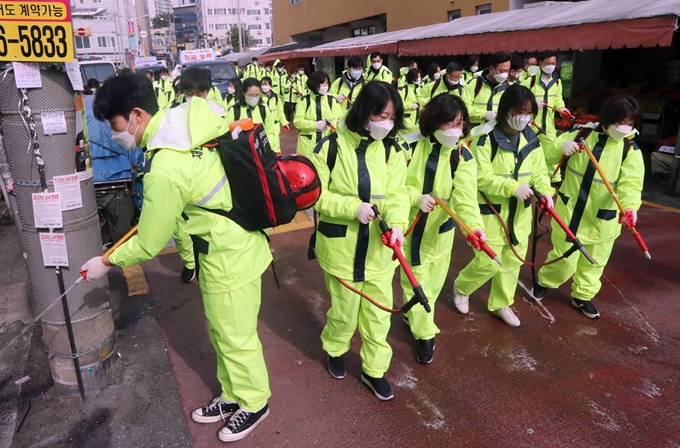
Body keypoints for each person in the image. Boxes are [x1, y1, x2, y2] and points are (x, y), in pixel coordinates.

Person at [83, 73, 272, 442]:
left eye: (115, 124)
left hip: (229, 255)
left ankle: (256, 402)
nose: (113, 132)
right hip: (227, 248)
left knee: (236, 336)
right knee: (222, 332)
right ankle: (233, 395)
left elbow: (150, 242)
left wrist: (104, 262)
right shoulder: (183, 126)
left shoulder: (165, 166)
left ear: (137, 115)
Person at [309, 81, 409, 401]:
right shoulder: (330, 146)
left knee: (378, 315)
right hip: (342, 247)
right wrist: (352, 207)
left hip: (379, 250)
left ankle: (374, 370)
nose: (386, 123)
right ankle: (336, 349)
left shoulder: (393, 150)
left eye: (391, 117)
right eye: (381, 115)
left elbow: (397, 195)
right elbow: (316, 195)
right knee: (344, 310)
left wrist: (397, 226)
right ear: (364, 112)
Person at [533, 94, 644, 319]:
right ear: (607, 118)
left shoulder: (629, 150)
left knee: (595, 262)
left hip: (603, 218)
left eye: (630, 124)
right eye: (620, 122)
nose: (625, 128)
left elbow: (631, 184)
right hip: (570, 210)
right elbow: (546, 157)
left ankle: (582, 296)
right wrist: (561, 146)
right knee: (563, 258)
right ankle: (546, 281)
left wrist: (630, 207)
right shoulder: (582, 134)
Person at [453, 84, 553, 327]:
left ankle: (501, 303)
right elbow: (481, 177)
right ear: (506, 110)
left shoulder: (532, 139)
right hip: (492, 211)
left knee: (513, 260)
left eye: (529, 112)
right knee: (488, 260)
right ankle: (462, 286)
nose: (525, 117)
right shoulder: (485, 138)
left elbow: (540, 173)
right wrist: (513, 188)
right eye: (520, 111)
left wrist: (546, 193)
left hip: (519, 214)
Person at [401, 94, 483, 363]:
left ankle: (415, 317)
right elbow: (393, 185)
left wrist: (474, 228)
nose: (454, 131)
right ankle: (425, 335)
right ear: (433, 122)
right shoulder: (409, 146)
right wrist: (414, 196)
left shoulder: (462, 155)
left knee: (432, 288)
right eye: (448, 124)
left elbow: (466, 198)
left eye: (459, 124)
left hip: (441, 234)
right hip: (411, 230)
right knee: (415, 284)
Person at [522, 50, 571, 182]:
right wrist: (532, 105)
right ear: (540, 64)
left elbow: (558, 99)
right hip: (530, 125)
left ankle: (553, 182)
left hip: (548, 126)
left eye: (553, 63)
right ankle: (530, 180)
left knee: (551, 155)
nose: (551, 66)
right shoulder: (530, 81)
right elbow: (519, 100)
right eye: (547, 63)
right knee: (529, 154)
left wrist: (562, 108)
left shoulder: (557, 82)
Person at [293, 71, 342, 157]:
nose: (325, 86)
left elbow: (338, 120)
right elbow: (297, 122)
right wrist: (314, 125)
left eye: (326, 83)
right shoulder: (304, 100)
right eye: (322, 83)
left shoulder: (332, 100)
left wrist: (331, 126)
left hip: (327, 143)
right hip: (307, 145)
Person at [226, 77, 280, 152]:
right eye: (251, 95)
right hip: (243, 153)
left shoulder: (264, 110)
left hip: (262, 151)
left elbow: (270, 132)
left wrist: (262, 147)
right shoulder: (234, 111)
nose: (254, 98)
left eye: (257, 95)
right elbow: (228, 134)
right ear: (243, 93)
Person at [461, 51, 511, 126]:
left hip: (499, 133)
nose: (505, 74)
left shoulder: (509, 87)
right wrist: (484, 114)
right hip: (477, 133)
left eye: (507, 71)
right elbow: (463, 108)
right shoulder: (474, 84)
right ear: (491, 68)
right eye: (502, 71)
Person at [261, 76, 289, 150]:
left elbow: (280, 111)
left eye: (266, 84)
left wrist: (284, 123)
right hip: (264, 125)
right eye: (262, 84)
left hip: (275, 125)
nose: (264, 86)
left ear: (270, 85)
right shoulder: (258, 97)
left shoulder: (275, 96)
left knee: (275, 145)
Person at [398, 68, 423, 136]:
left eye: (420, 76)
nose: (419, 78)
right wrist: (410, 105)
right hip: (407, 122)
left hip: (419, 121)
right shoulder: (404, 89)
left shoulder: (422, 88)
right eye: (417, 77)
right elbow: (398, 103)